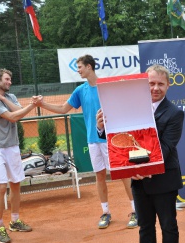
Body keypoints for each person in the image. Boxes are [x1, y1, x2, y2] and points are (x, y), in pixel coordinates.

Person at [33, 54, 137, 229]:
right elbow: (63, 109)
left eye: (80, 67)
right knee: (100, 176)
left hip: (110, 139)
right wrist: (42, 105)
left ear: (89, 67)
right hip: (92, 139)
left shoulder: (107, 87)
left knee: (123, 174)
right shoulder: (80, 90)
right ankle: (105, 212)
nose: (78, 70)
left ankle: (135, 211)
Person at [97, 64, 184, 243]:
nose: (155, 88)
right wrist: (101, 127)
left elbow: (166, 147)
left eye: (160, 84)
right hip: (139, 182)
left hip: (164, 180)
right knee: (145, 226)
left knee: (168, 226)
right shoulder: (131, 108)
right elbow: (120, 135)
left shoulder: (175, 113)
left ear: (168, 86)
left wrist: (143, 169)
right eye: (151, 83)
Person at [0, 68, 36, 243]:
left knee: (16, 184)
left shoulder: (9, 97)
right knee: (1, 188)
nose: (10, 82)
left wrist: (3, 98)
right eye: (7, 79)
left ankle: (15, 221)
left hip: (12, 146)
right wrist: (31, 106)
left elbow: (18, 111)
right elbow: (12, 117)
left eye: (10, 79)